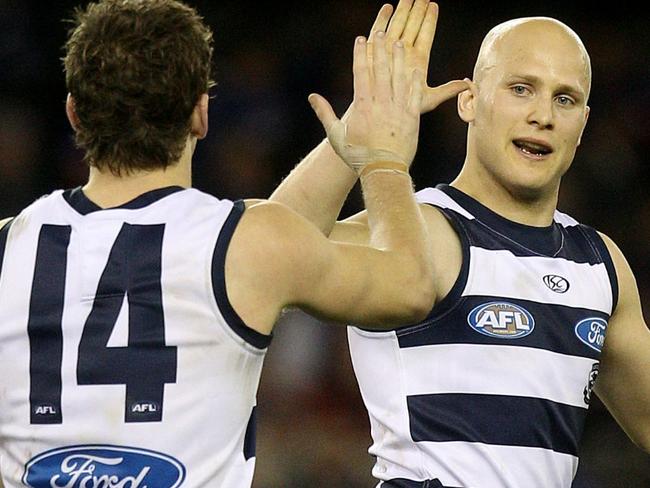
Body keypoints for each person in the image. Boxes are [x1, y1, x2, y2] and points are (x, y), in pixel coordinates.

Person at [0, 0, 441, 486]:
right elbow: (410, 286)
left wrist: (361, 127)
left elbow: (262, 245)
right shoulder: (247, 245)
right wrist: (383, 158)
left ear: (74, 114)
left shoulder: (8, 246)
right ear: (201, 114)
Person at [270, 1, 650, 487]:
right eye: (520, 89)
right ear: (469, 102)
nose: (542, 115)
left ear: (582, 124)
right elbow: (265, 254)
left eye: (565, 99)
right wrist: (360, 137)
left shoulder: (600, 264)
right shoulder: (410, 226)